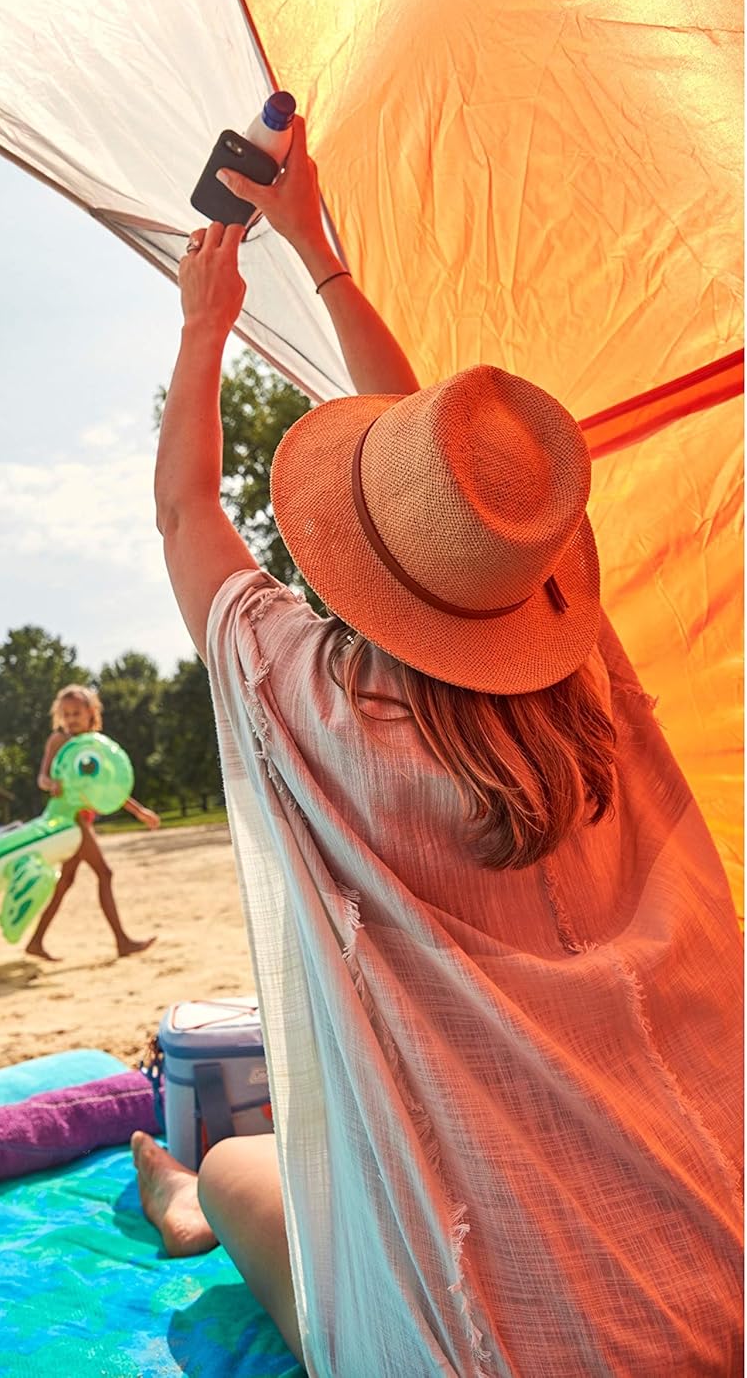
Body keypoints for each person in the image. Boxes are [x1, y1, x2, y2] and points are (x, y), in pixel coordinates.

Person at [134, 116, 744, 1375]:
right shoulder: (594, 693)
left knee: (248, 1165)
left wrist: (209, 318)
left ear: (361, 561)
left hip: (483, 1344)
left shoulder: (307, 701)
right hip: (719, 1274)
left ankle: (193, 1208)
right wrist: (324, 252)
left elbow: (188, 509)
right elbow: (449, 477)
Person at [25, 683, 158, 961]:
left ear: (90, 713)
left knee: (66, 882)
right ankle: (122, 941)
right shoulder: (59, 741)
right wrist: (52, 784)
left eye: (76, 713)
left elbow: (109, 789)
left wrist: (138, 811)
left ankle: (35, 942)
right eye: (67, 714)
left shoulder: (95, 746)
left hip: (82, 819)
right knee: (104, 873)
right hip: (67, 819)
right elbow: (42, 778)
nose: (71, 719)